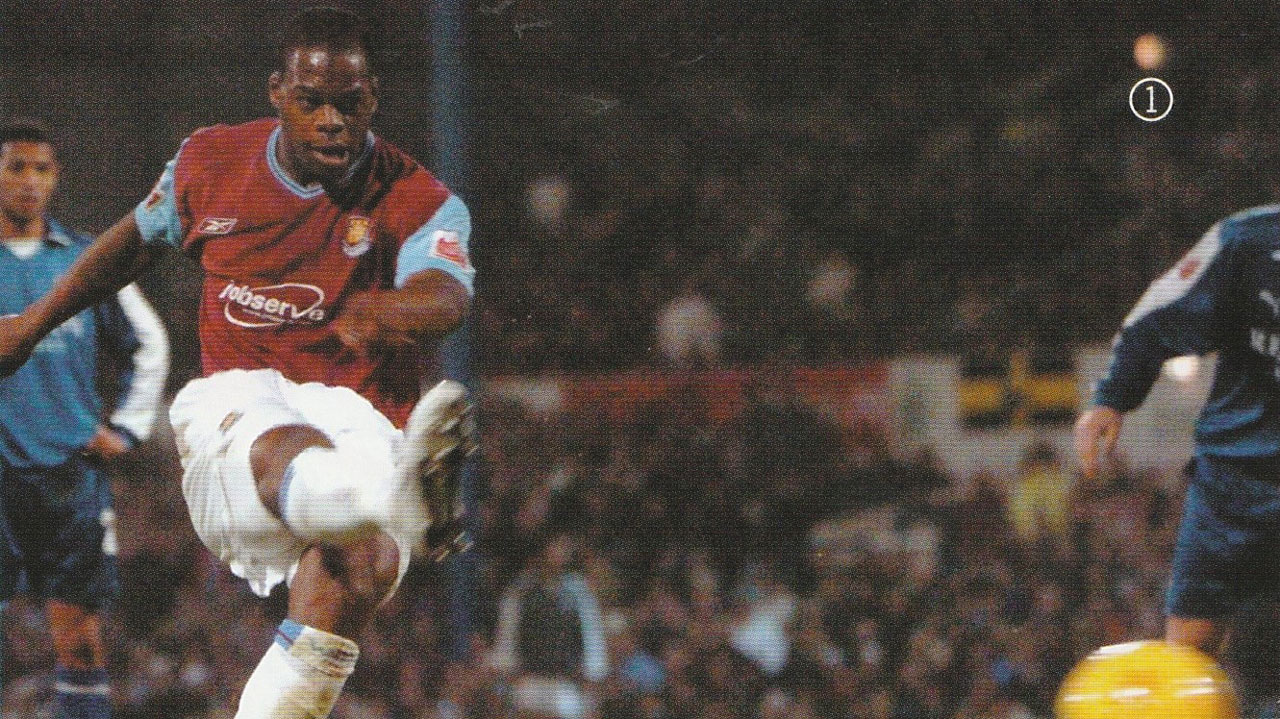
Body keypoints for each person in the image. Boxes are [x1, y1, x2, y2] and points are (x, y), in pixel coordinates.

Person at [0, 8, 477, 719]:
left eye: (350, 103)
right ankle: (397, 499)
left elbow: (446, 294)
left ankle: (391, 501)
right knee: (300, 453)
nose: (332, 121)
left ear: (373, 97)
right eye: (312, 101)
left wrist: (392, 310)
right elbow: (129, 245)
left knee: (364, 568)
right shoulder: (211, 163)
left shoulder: (420, 199)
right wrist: (30, 325)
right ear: (277, 91)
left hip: (361, 415)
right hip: (240, 402)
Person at [0, 120, 169, 719]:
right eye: (16, 167)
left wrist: (126, 427)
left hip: (69, 477)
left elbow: (148, 341)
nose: (29, 181)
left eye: (41, 169)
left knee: (80, 640)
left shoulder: (85, 260)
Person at [1075, 204, 1280, 658]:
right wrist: (1112, 397)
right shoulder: (1246, 241)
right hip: (1234, 483)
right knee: (1187, 657)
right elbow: (1163, 311)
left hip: (1233, 479)